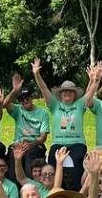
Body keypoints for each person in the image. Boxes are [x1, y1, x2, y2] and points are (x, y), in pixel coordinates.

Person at [32, 57, 95, 190]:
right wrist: (36, 74)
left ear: (75, 94)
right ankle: (55, 190)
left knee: (78, 160)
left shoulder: (79, 104)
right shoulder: (55, 105)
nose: (67, 93)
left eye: (70, 91)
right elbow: (43, 89)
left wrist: (95, 79)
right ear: (60, 95)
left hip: (77, 143)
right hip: (58, 143)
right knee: (52, 161)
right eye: (64, 91)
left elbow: (91, 92)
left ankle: (77, 191)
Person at [2, 74, 50, 181]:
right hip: (18, 143)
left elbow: (43, 137)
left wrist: (30, 144)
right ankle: (14, 187)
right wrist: (14, 90)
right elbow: (5, 104)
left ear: (31, 98)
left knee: (30, 157)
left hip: (35, 144)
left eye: (27, 98)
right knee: (13, 155)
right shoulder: (18, 110)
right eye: (22, 99)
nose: (25, 101)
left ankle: (30, 186)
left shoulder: (42, 112)